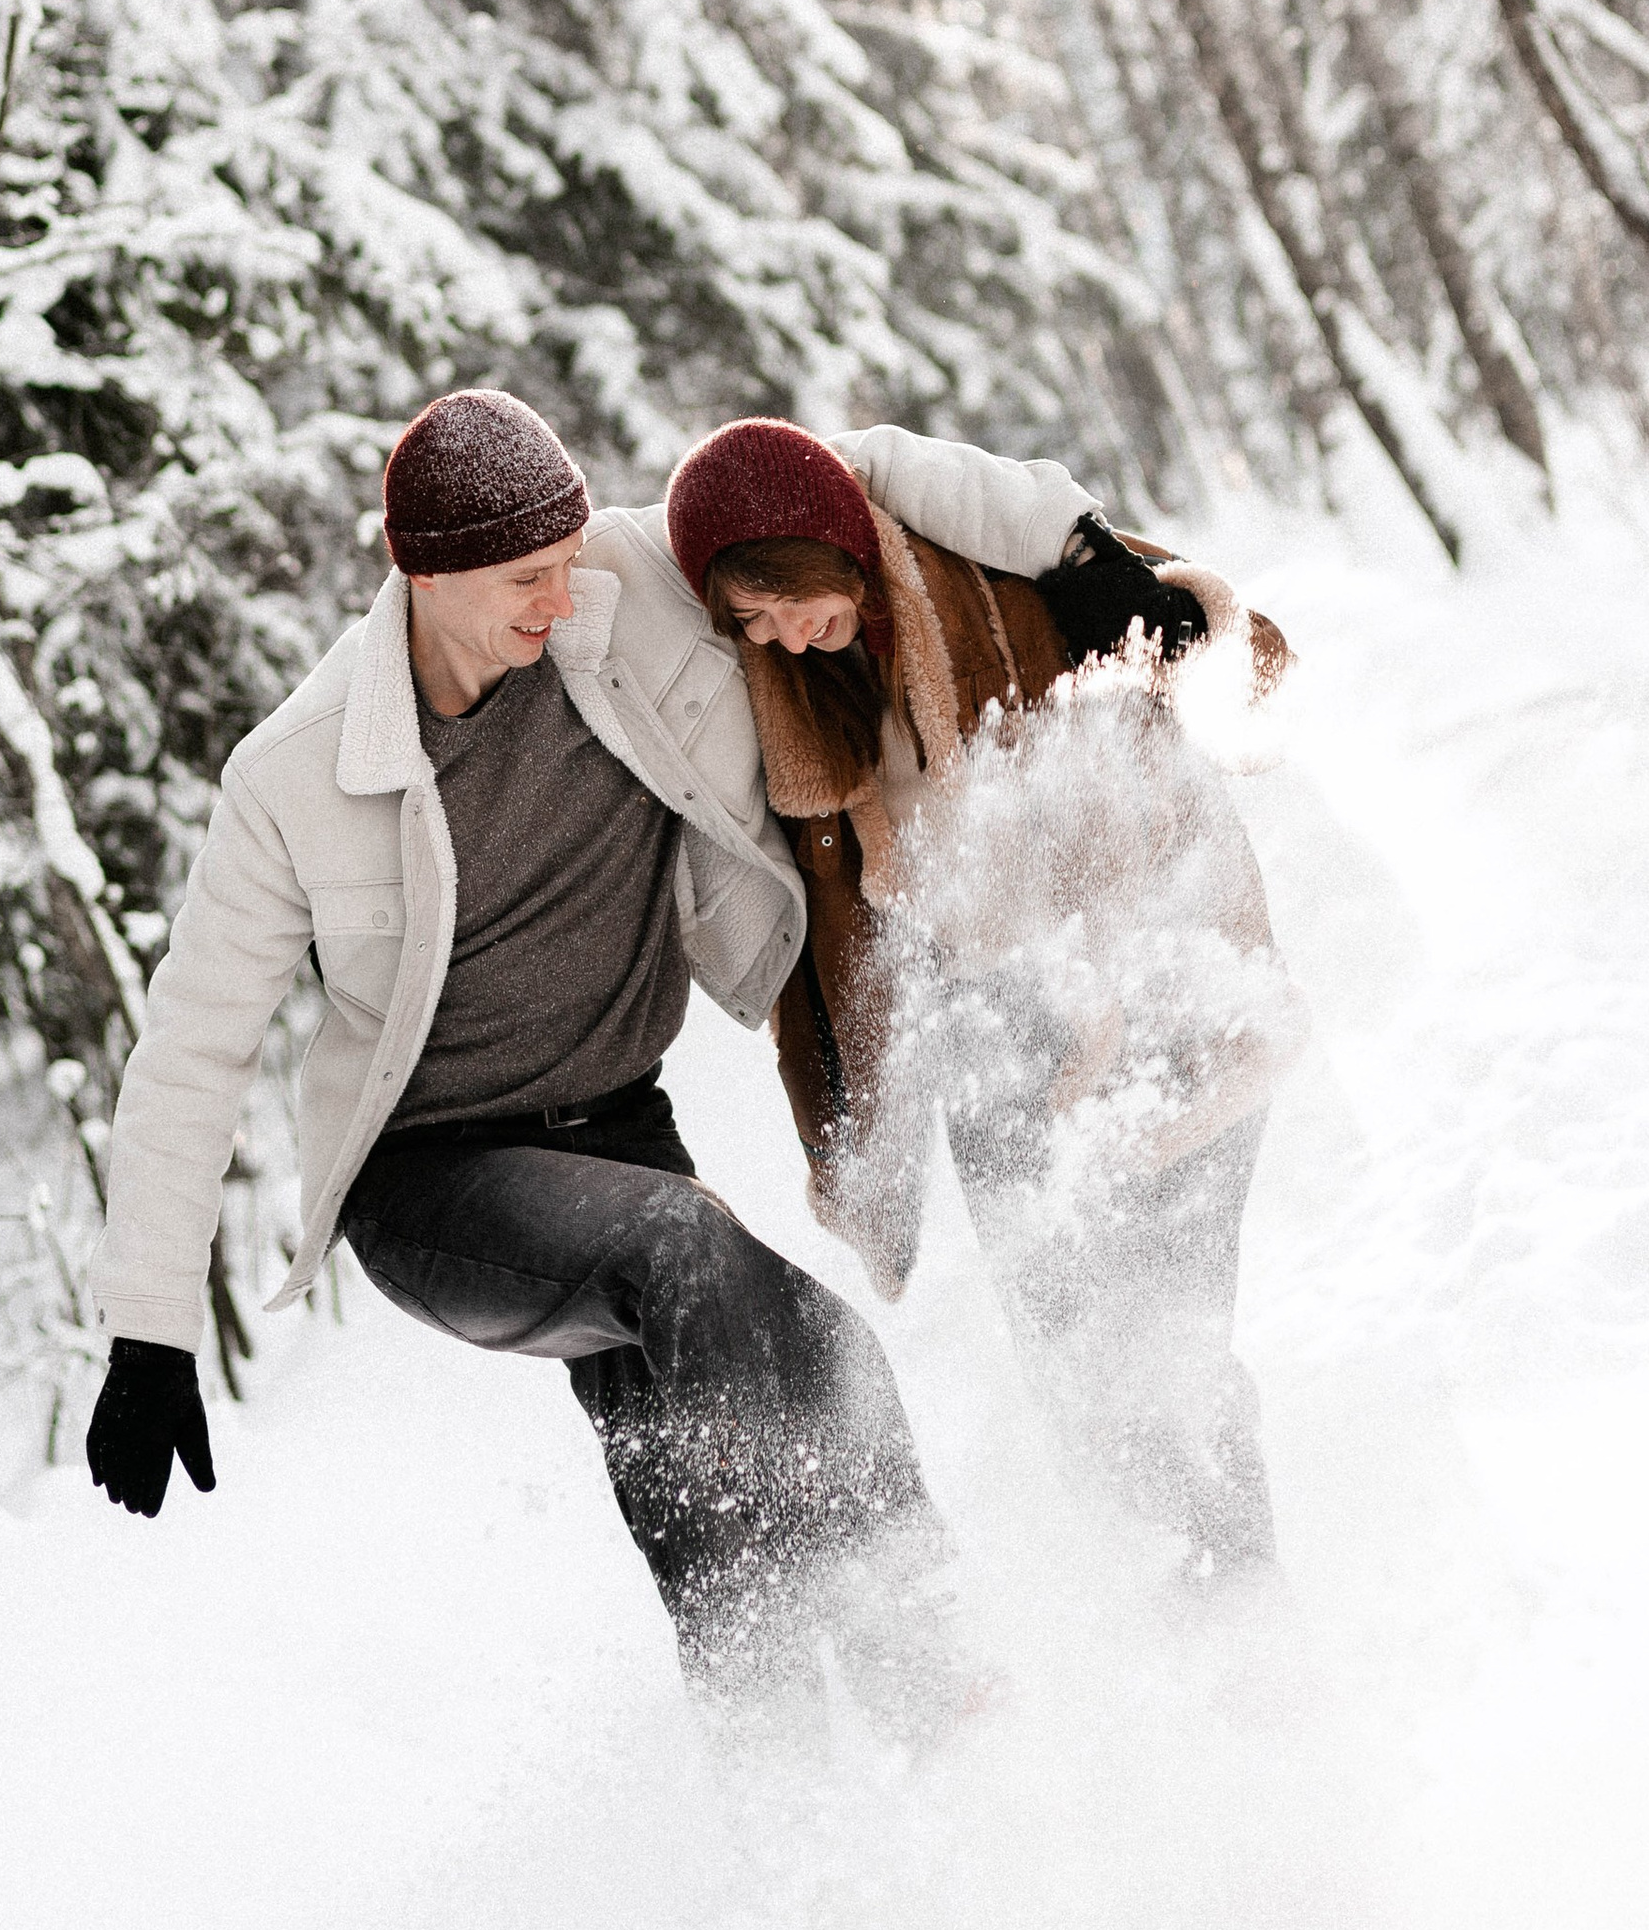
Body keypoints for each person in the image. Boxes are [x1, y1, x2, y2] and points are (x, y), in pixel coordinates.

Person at [88, 386, 1083, 1736]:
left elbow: (837, 476)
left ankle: (799, 1804)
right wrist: (147, 1331)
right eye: (524, 582)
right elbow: (190, 1053)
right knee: (691, 1262)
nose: (562, 602)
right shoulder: (298, 776)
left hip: (620, 1131)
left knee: (733, 1461)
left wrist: (1087, 549)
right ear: (424, 576)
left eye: (566, 563)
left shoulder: (619, 592)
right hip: (437, 1182)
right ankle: (927, 1671)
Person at [662, 420, 1298, 1591]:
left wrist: (1148, 628)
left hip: (1162, 992)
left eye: (784, 600)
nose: (781, 637)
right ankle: (1160, 1612)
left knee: (1168, 1338)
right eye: (750, 623)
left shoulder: (1002, 571)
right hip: (995, 1037)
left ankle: (1243, 1602)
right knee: (1065, 1362)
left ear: (831, 546)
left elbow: (1220, 648)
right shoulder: (802, 704)